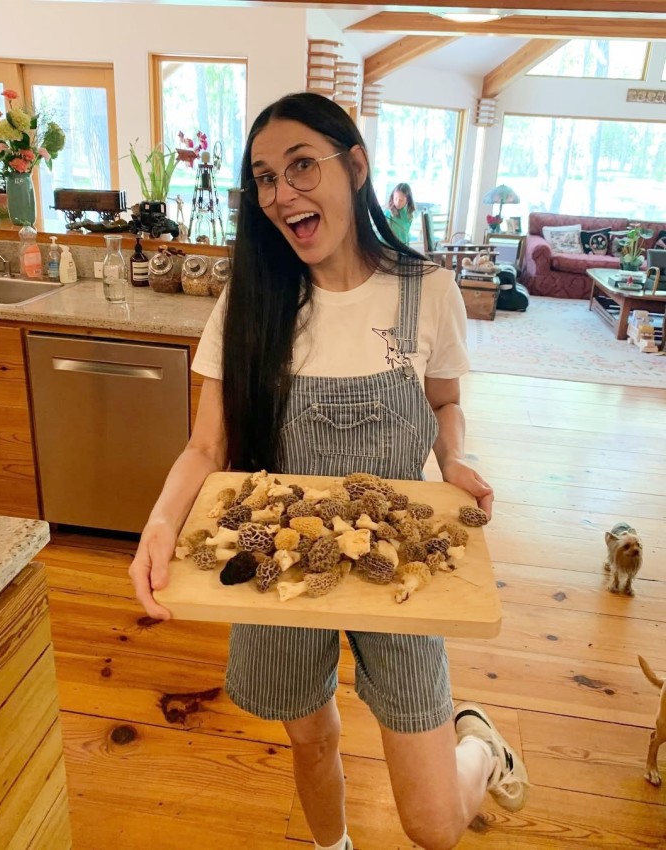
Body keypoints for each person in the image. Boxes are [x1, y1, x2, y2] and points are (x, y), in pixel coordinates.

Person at [129, 92, 529, 850]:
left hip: (397, 561)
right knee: (311, 740)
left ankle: (479, 745)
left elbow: (445, 403)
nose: (283, 193)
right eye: (265, 177)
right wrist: (158, 525)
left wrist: (455, 458)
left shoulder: (427, 290)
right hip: (281, 565)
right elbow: (206, 449)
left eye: (301, 166)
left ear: (357, 167)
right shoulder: (252, 301)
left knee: (434, 826)